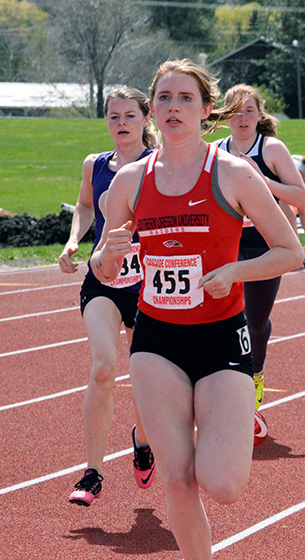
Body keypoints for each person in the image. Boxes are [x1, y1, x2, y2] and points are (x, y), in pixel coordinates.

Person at [90, 59, 302, 560]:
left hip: (221, 336)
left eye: (185, 98)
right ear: (151, 110)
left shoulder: (232, 172)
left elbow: (289, 252)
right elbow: (101, 267)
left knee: (223, 484)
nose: (173, 108)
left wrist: (233, 273)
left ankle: (221, 424)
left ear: (207, 109)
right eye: (163, 98)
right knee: (177, 478)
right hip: (157, 340)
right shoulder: (129, 182)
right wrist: (108, 256)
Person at [59, 86, 159, 507]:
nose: (121, 123)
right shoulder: (95, 164)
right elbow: (85, 207)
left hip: (148, 284)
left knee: (144, 379)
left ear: (145, 119)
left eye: (129, 116)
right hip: (102, 279)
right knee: (103, 367)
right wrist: (73, 241)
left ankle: (142, 440)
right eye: (114, 116)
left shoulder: (158, 165)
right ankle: (92, 472)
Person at [216, 84, 305, 414]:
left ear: (260, 114)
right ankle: (224, 380)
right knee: (221, 317)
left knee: (255, 321)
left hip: (263, 246)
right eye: (236, 112)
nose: (243, 118)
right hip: (225, 245)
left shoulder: (271, 149)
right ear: (226, 115)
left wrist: (258, 179)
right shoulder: (215, 151)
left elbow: (300, 197)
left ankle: (255, 372)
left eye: (249, 111)